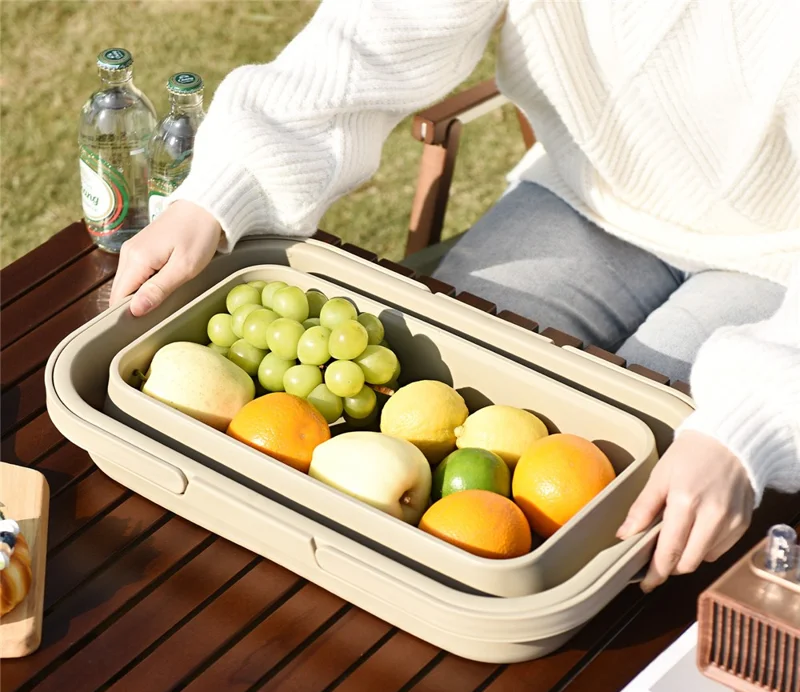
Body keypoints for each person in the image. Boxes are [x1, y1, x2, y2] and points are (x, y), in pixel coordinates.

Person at [109, 0, 800, 592]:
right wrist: (230, 184)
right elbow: (379, 31)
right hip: (584, 195)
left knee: (623, 517)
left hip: (778, 260)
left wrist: (753, 421)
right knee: (424, 399)